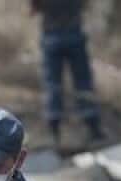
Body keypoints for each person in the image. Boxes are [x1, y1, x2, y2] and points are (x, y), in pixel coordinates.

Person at [31, 0, 104, 144]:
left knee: (53, 84)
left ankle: (54, 131)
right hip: (74, 33)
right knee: (83, 81)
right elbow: (85, 6)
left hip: (51, 34)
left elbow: (34, 9)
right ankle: (93, 128)